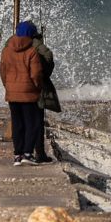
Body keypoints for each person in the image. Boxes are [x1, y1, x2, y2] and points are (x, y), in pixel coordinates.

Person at [0, 20, 44, 166]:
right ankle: (27, 154)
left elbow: (3, 72)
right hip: (29, 95)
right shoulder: (32, 51)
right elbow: (36, 74)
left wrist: (8, 87)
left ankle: (17, 155)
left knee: (17, 124)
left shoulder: (6, 51)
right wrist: (38, 87)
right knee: (32, 124)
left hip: (12, 94)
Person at [30, 25, 61, 163]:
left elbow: (4, 68)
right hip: (35, 90)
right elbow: (48, 59)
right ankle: (39, 153)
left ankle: (22, 154)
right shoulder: (38, 46)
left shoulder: (10, 46)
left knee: (22, 122)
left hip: (16, 92)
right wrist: (44, 76)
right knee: (37, 122)